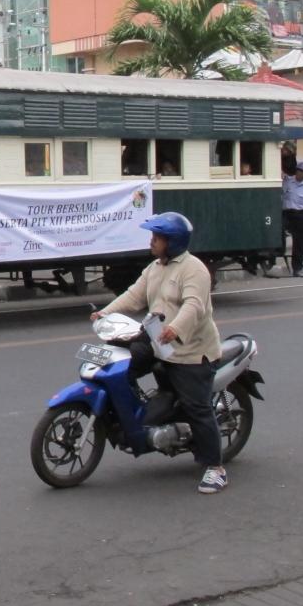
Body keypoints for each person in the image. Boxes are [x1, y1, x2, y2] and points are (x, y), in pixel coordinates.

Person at [92, 212, 228, 494]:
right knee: (122, 366)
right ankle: (138, 420)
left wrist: (175, 328)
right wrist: (106, 312)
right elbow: (134, 295)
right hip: (158, 341)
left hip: (190, 351)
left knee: (198, 409)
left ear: (173, 242)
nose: (152, 241)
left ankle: (215, 468)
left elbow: (194, 306)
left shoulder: (194, 269)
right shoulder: (155, 267)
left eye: (157, 238)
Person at [282, 161, 303, 277]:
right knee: (278, 233)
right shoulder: (287, 181)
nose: (301, 173)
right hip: (286, 213)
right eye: (299, 171)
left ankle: (297, 269)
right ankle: (277, 255)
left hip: (301, 214)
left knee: (299, 242)